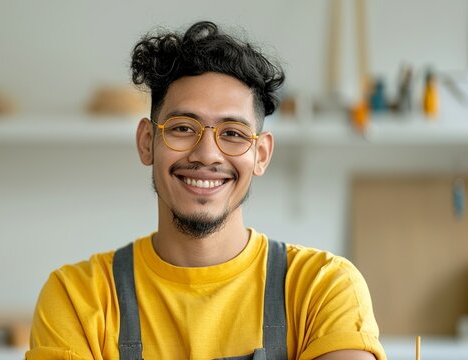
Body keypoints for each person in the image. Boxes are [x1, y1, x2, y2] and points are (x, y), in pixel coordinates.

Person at [25, 21, 386, 360]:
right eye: (183, 128)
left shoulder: (322, 288)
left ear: (260, 155)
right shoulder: (78, 297)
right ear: (147, 142)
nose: (207, 154)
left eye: (233, 133)